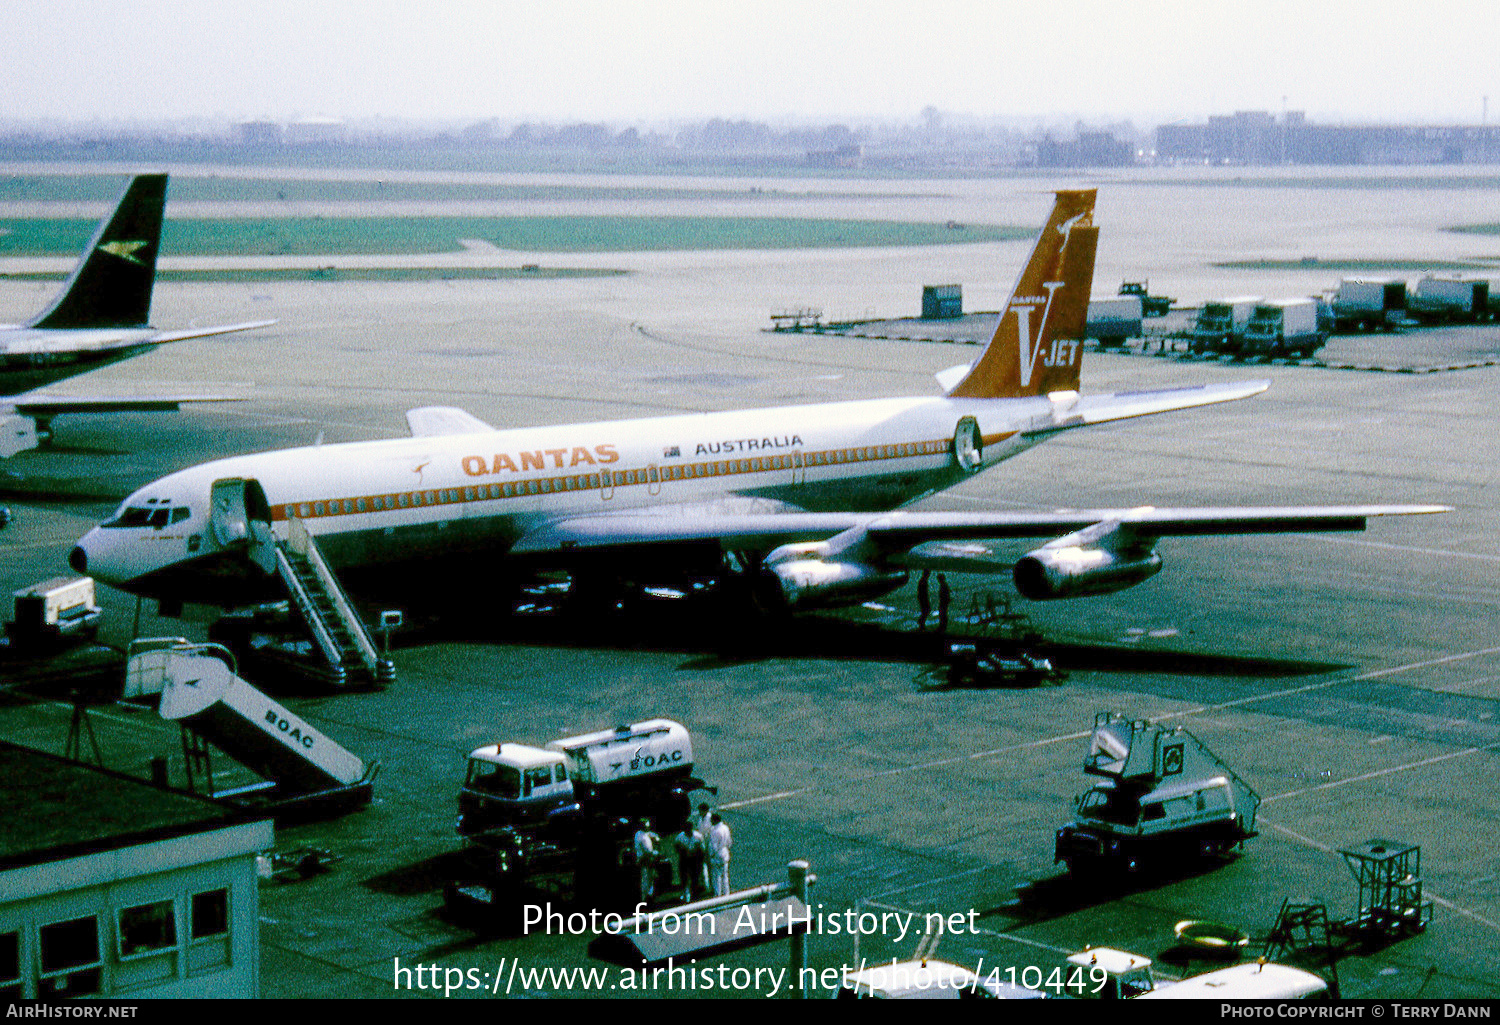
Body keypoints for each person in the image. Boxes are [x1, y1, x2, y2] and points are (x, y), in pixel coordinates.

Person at [672, 821, 707, 901]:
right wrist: (682, 850)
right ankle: (686, 894)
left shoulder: (698, 836)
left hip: (694, 859)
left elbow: (702, 848)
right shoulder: (680, 837)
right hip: (684, 859)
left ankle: (695, 894)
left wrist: (698, 854)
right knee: (684, 877)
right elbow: (676, 846)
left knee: (695, 876)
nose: (688, 831)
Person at [632, 818, 659, 904]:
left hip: (648, 859)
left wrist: (656, 837)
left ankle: (650, 897)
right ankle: (645, 899)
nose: (647, 827)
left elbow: (653, 835)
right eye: (646, 826)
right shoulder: (640, 835)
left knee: (651, 879)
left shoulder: (645, 834)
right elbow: (647, 850)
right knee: (646, 879)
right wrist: (655, 853)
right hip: (644, 859)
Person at [707, 813, 732, 896]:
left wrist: (711, 855)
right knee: (725, 875)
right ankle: (726, 893)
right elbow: (729, 841)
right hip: (725, 852)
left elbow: (713, 846)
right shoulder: (725, 828)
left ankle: (718, 894)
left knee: (716, 876)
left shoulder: (714, 831)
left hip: (717, 855)